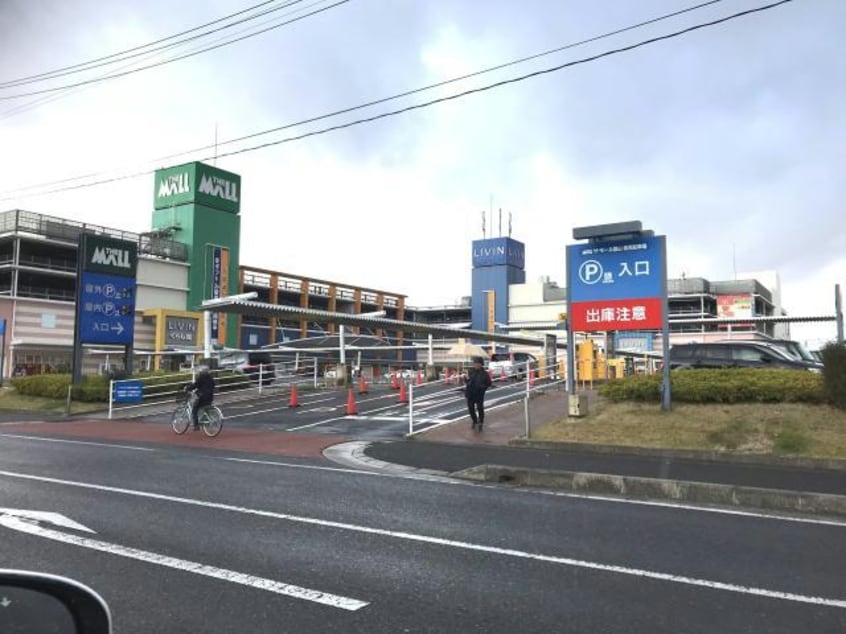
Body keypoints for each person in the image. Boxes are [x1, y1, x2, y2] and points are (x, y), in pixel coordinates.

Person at [465, 356, 492, 431]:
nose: (475, 365)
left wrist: (482, 387)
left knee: (480, 408)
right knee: (471, 409)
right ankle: (474, 420)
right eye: (475, 363)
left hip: (479, 393)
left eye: (477, 363)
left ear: (481, 364)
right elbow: (466, 381)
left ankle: (481, 422)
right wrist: (466, 379)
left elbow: (489, 383)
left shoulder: (485, 374)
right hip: (470, 393)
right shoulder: (470, 371)